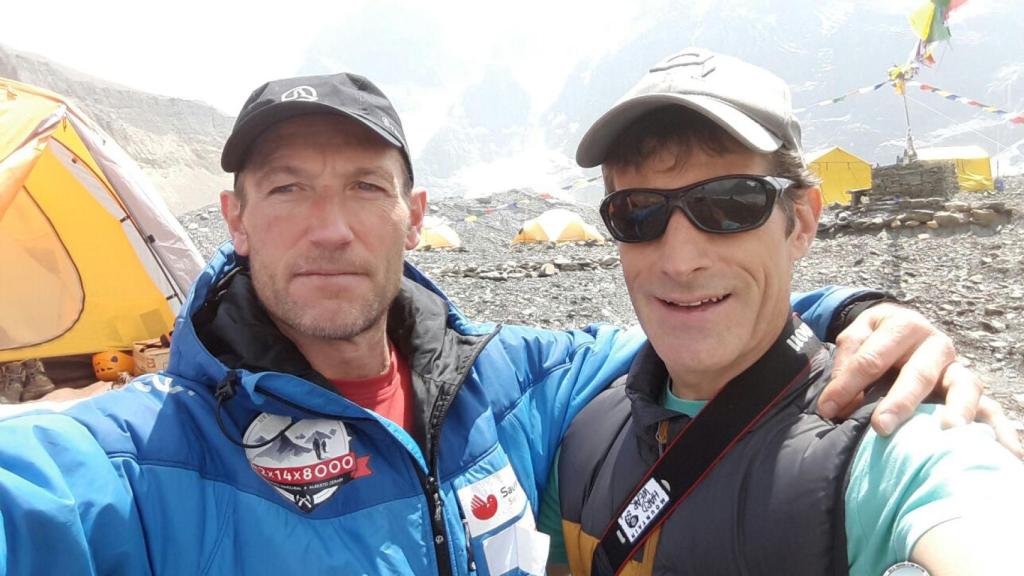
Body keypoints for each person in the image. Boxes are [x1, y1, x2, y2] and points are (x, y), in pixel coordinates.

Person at [0, 71, 1009, 576]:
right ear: (234, 217)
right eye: (287, 188)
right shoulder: (147, 452)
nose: (329, 228)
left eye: (364, 188)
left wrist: (855, 313)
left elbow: (701, 336)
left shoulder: (516, 380)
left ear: (414, 217)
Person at [542, 48, 1024, 576]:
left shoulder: (897, 447)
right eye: (638, 212)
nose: (680, 261)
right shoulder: (583, 440)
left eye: (729, 204)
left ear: (801, 223)